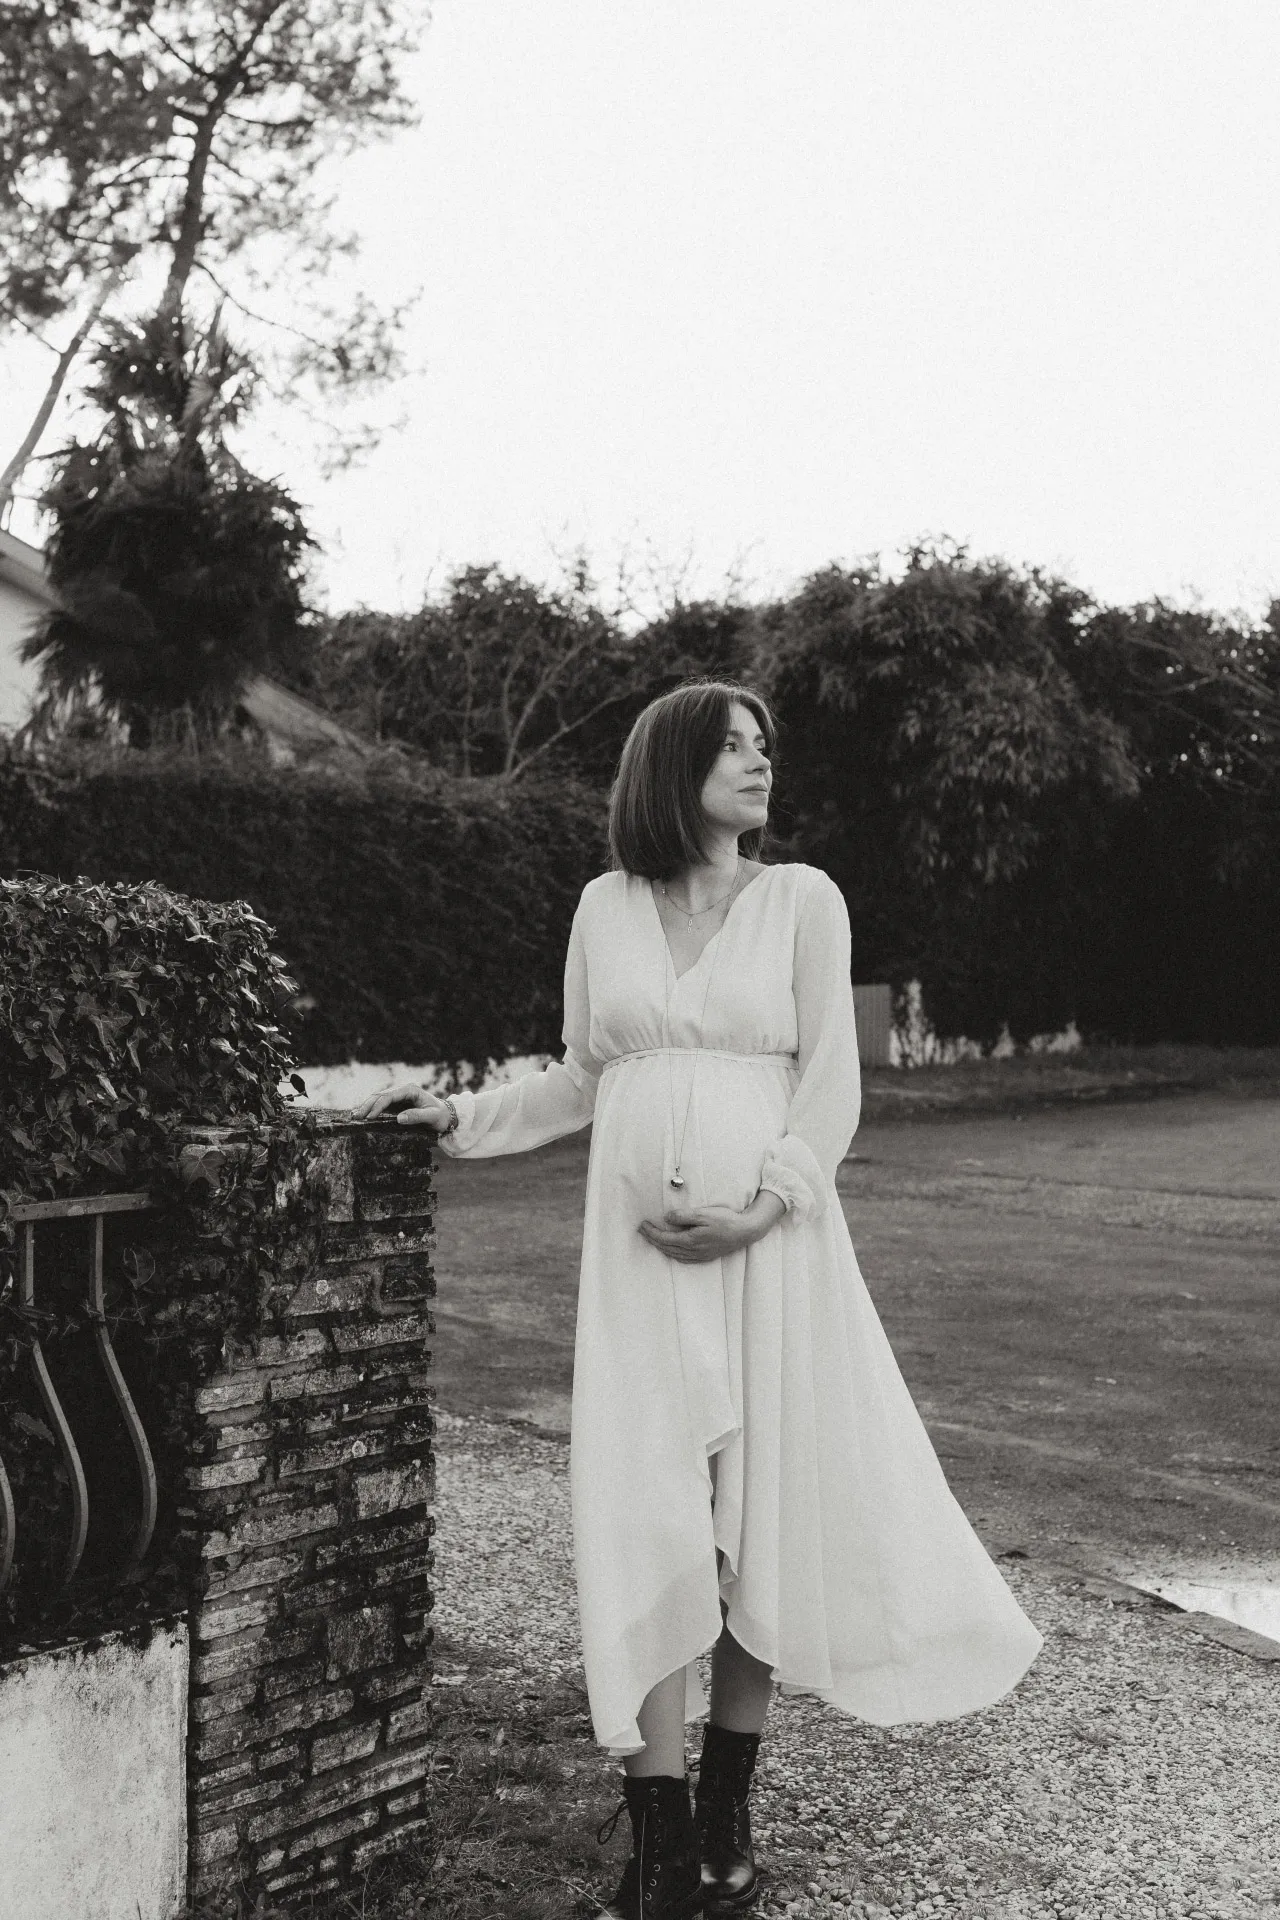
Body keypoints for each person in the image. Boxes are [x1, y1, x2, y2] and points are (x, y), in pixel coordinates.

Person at [357, 681, 1042, 1919]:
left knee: (755, 1518)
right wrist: (457, 1115)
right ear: (670, 768)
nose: (758, 763)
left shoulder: (802, 900)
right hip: (633, 1278)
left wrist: (761, 1208)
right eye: (730, 746)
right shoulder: (601, 908)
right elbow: (579, 1077)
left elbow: (828, 1087)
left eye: (763, 746)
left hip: (769, 1259)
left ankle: (725, 1809)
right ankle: (659, 1842)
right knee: (642, 1517)